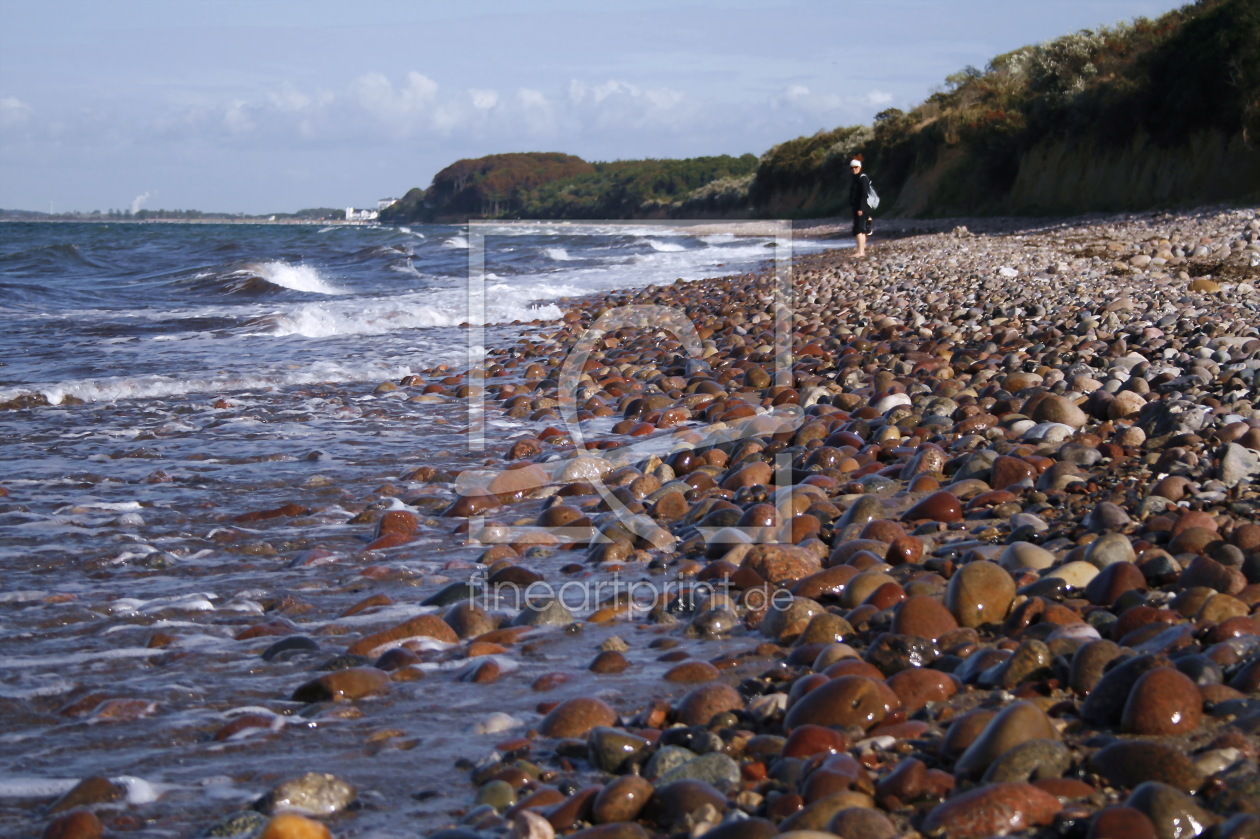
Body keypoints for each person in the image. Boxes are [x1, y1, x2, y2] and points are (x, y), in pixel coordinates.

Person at [848, 158, 872, 257]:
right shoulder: (857, 178)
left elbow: (864, 194)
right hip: (858, 207)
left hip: (861, 208)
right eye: (852, 168)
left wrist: (862, 208)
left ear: (860, 168)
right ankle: (861, 251)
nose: (854, 169)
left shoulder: (862, 178)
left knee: (859, 229)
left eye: (856, 167)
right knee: (861, 229)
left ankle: (861, 252)